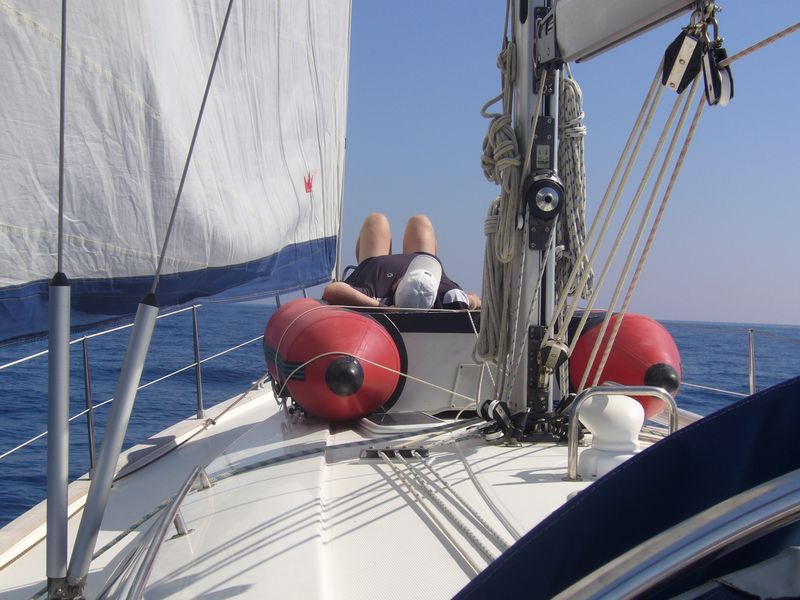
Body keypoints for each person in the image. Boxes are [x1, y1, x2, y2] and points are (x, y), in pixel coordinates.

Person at [323, 213, 480, 310]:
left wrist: (381, 307)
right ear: (433, 303)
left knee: (376, 220)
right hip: (425, 262)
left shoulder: (377, 295)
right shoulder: (446, 293)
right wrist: (474, 301)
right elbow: (473, 300)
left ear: (398, 283)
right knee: (420, 221)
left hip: (377, 267)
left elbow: (332, 290)